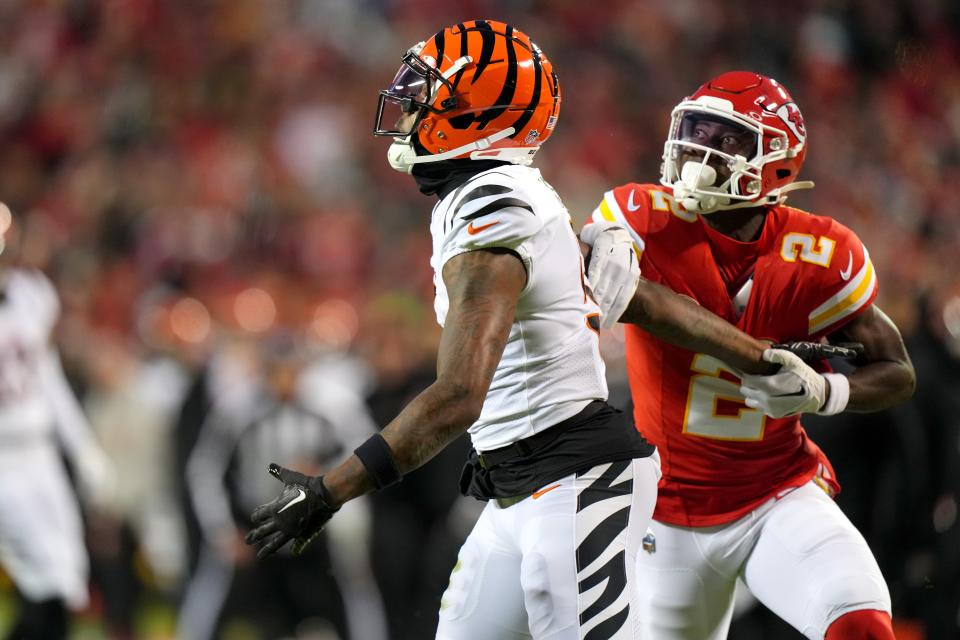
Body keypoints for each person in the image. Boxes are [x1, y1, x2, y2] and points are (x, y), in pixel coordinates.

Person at [245, 23, 778, 639]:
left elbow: (459, 394)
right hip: (517, 488)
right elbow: (639, 300)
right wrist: (761, 354)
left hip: (576, 481)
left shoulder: (493, 208)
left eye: (428, 94)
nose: (410, 104)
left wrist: (330, 491)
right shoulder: (502, 195)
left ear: (478, 114)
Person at [582, 71, 916, 639]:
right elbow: (605, 252)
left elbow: (898, 372)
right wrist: (598, 239)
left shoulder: (819, 252)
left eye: (725, 139)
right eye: (693, 132)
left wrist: (825, 391)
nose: (697, 151)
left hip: (777, 496)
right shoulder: (640, 218)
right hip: (668, 516)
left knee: (862, 627)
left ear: (777, 163)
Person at [0, 202, 114, 639]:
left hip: (39, 451)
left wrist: (83, 447)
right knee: (42, 576)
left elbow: (49, 380)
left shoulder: (33, 294)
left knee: (67, 574)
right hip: (4, 456)